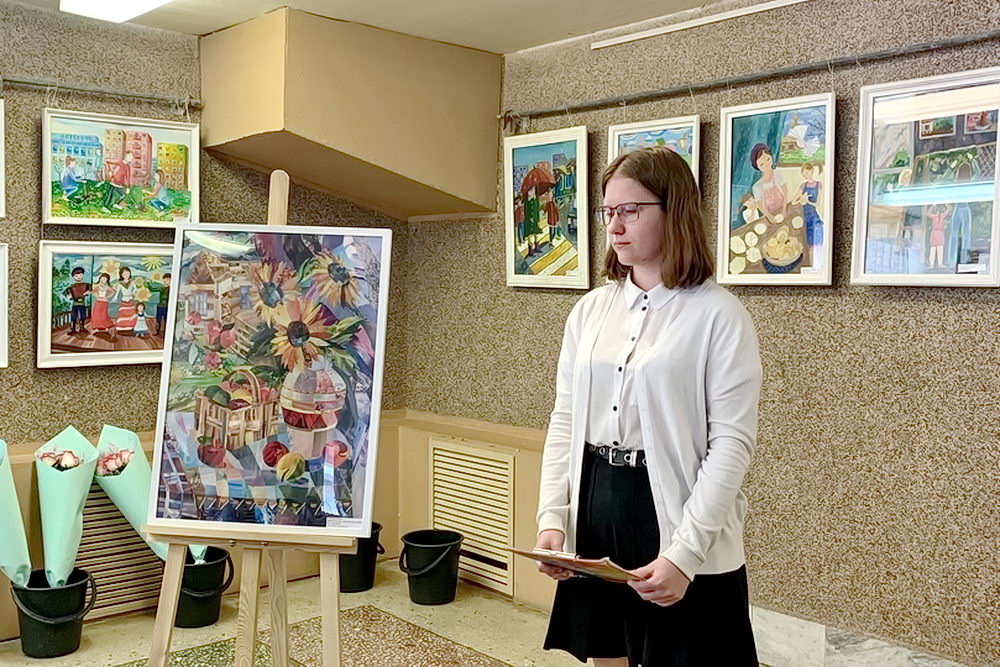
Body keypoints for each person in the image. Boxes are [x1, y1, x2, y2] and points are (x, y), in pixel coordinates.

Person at [535, 146, 762, 666]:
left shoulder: (719, 315)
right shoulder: (589, 311)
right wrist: (553, 517)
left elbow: (731, 445)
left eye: (631, 211)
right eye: (608, 212)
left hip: (676, 513)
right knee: (607, 653)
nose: (615, 226)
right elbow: (565, 420)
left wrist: (685, 554)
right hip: (597, 500)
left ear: (673, 211)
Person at [749, 142, 787, 220]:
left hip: (784, 209)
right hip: (770, 216)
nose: (766, 164)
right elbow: (760, 205)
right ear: (757, 167)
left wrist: (784, 210)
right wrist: (769, 217)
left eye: (768, 159)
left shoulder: (778, 175)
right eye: (761, 164)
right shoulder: (756, 186)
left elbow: (785, 192)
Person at [64, 267, 91, 333]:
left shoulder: (86, 285)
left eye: (80, 275)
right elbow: (66, 292)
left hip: (82, 303)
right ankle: (72, 328)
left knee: (82, 316)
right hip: (75, 304)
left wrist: (88, 292)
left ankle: (82, 328)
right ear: (74, 277)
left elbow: (91, 290)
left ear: (82, 275)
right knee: (73, 316)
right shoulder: (72, 286)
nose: (78, 277)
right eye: (76, 276)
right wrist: (69, 296)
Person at [89, 272, 116, 336]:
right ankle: (97, 329)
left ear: (107, 280)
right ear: (100, 278)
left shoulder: (107, 287)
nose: (102, 280)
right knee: (96, 315)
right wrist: (94, 294)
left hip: (104, 302)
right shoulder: (97, 286)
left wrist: (107, 296)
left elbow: (113, 292)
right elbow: (94, 292)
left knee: (104, 315)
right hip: (98, 302)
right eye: (102, 278)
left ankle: (106, 328)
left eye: (104, 279)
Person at [114, 266, 138, 332]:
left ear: (130, 273)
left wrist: (133, 292)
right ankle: (122, 326)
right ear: (121, 275)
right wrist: (115, 297)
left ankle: (131, 326)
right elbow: (117, 292)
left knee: (132, 312)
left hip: (130, 298)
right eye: (124, 274)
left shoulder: (132, 282)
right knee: (123, 313)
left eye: (127, 273)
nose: (126, 275)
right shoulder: (120, 284)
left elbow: (135, 289)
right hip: (124, 299)